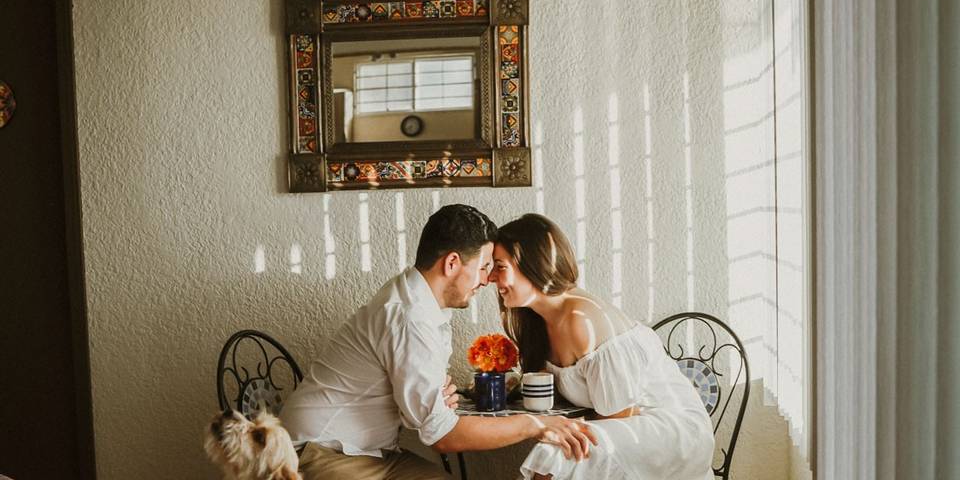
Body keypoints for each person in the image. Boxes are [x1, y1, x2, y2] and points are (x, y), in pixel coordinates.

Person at [280, 204, 597, 480]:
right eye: (484, 266)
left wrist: (429, 400)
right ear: (452, 263)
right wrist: (535, 424)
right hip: (320, 454)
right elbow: (442, 436)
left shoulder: (418, 301)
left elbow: (418, 413)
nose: (487, 279)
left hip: (362, 451)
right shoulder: (411, 317)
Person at [489, 213, 715, 480]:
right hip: (625, 425)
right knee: (561, 444)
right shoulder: (540, 322)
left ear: (533, 265)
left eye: (500, 266)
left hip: (668, 430)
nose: (491, 277)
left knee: (559, 451)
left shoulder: (581, 320)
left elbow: (621, 416)